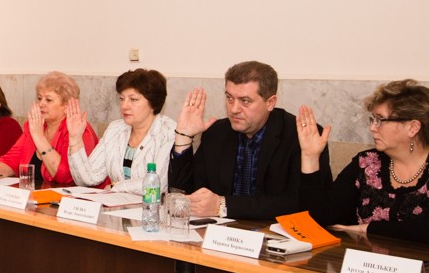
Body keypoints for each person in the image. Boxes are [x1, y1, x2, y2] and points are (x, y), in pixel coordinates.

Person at [169, 60, 331, 219]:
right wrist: (184, 136)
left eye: (245, 101)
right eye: (229, 98)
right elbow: (184, 197)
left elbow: (298, 203)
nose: (234, 109)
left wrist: (223, 205)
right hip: (218, 232)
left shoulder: (301, 136)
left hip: (273, 232)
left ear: (270, 102)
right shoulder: (216, 132)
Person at [299, 80, 429, 243]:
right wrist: (310, 157)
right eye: (373, 119)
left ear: (413, 127)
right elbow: (320, 218)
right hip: (361, 259)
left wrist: (366, 229)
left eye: (380, 120)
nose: (372, 128)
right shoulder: (366, 162)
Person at [67, 69, 176, 193]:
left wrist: (116, 187)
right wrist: (75, 139)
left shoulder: (168, 131)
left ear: (153, 103)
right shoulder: (116, 129)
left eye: (133, 99)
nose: (124, 106)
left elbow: (157, 183)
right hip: (117, 203)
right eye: (122, 99)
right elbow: (88, 178)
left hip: (152, 205)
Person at [0, 72, 98, 185]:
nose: (41, 104)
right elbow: (11, 160)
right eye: (39, 98)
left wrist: (39, 137)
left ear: (66, 106)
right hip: (35, 193)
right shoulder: (35, 124)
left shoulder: (79, 129)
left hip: (72, 195)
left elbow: (65, 177)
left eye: (48, 100)